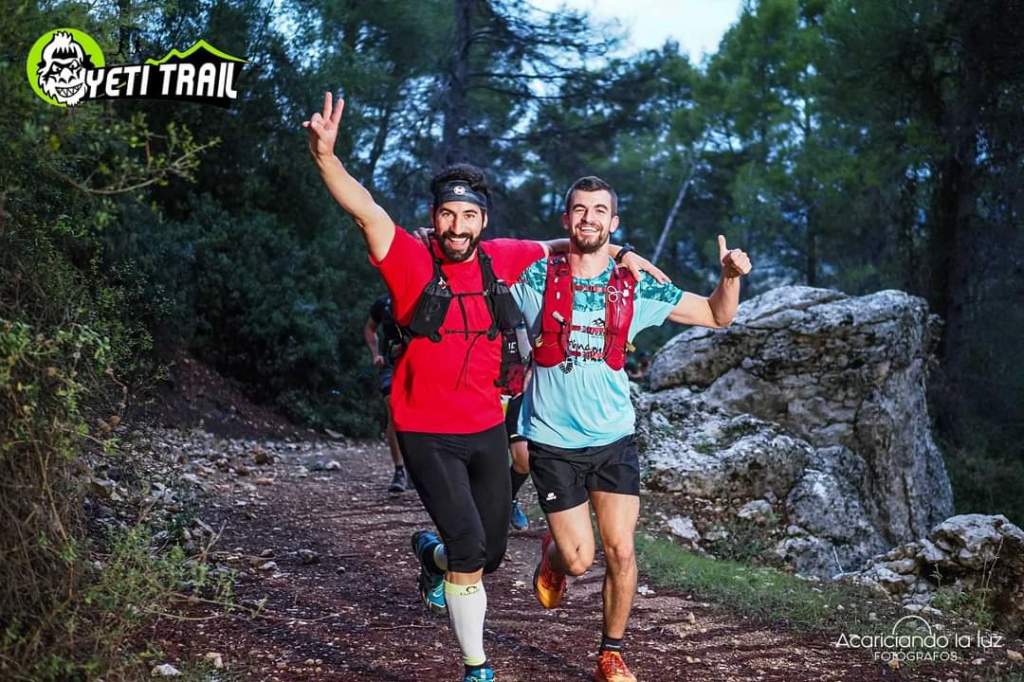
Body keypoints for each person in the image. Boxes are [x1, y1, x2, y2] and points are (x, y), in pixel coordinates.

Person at [302, 93, 666, 682]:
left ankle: (433, 555)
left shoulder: (501, 258)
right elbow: (365, 209)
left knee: (489, 553)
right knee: (471, 547)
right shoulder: (409, 259)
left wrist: (623, 252)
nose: (457, 227)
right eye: (447, 215)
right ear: (434, 216)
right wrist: (325, 158)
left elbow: (568, 246)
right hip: (425, 429)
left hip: (484, 428)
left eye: (468, 216)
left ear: (483, 221)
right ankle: (476, 668)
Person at [511, 176, 752, 682]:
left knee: (621, 549)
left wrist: (729, 277)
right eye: (580, 210)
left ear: (613, 222)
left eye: (600, 210)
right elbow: (484, 272)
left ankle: (610, 655)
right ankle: (554, 556)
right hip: (553, 442)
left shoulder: (635, 284)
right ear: (566, 219)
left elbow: (717, 315)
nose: (589, 218)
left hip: (614, 439)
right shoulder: (536, 278)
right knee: (579, 560)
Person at [363, 294, 410, 493]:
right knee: (394, 412)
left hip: (417, 364)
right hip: (390, 365)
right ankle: (399, 470)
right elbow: (370, 328)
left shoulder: (422, 298)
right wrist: (376, 354)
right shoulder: (383, 303)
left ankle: (417, 467)